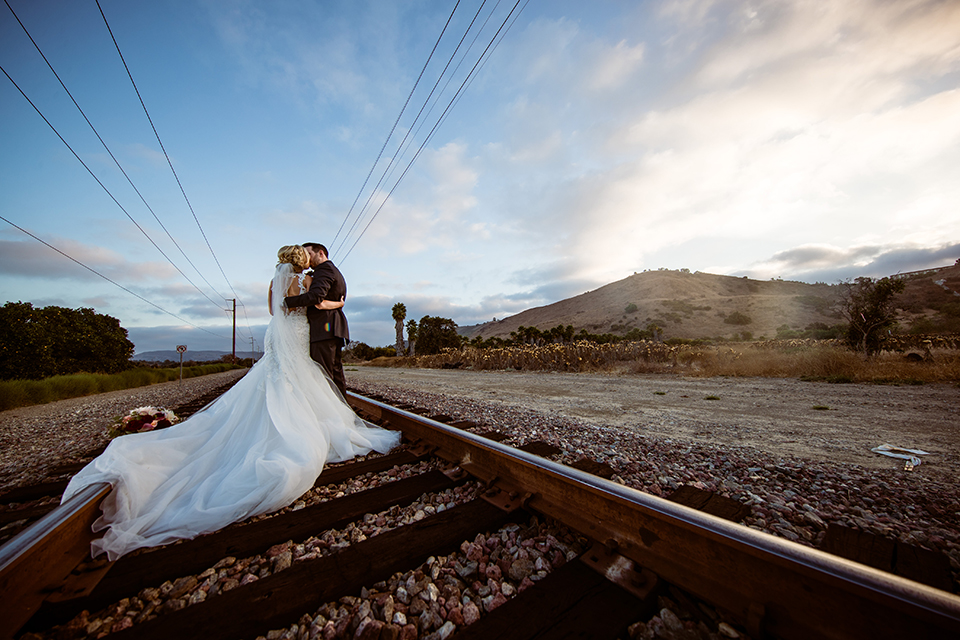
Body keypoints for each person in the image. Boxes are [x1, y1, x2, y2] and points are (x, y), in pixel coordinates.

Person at [61, 245, 401, 560]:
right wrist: (336, 303)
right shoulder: (305, 279)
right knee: (303, 378)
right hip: (298, 332)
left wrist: (302, 303)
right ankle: (315, 421)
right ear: (301, 261)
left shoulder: (274, 281)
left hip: (277, 332)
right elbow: (311, 302)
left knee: (282, 376)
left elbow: (274, 309)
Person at [284, 243, 349, 398]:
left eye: (309, 254)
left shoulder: (324, 269)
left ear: (321, 253)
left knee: (323, 376)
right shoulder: (326, 270)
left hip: (325, 328)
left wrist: (286, 302)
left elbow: (316, 297)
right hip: (331, 327)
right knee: (334, 374)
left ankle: (330, 417)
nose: (306, 258)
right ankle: (343, 413)